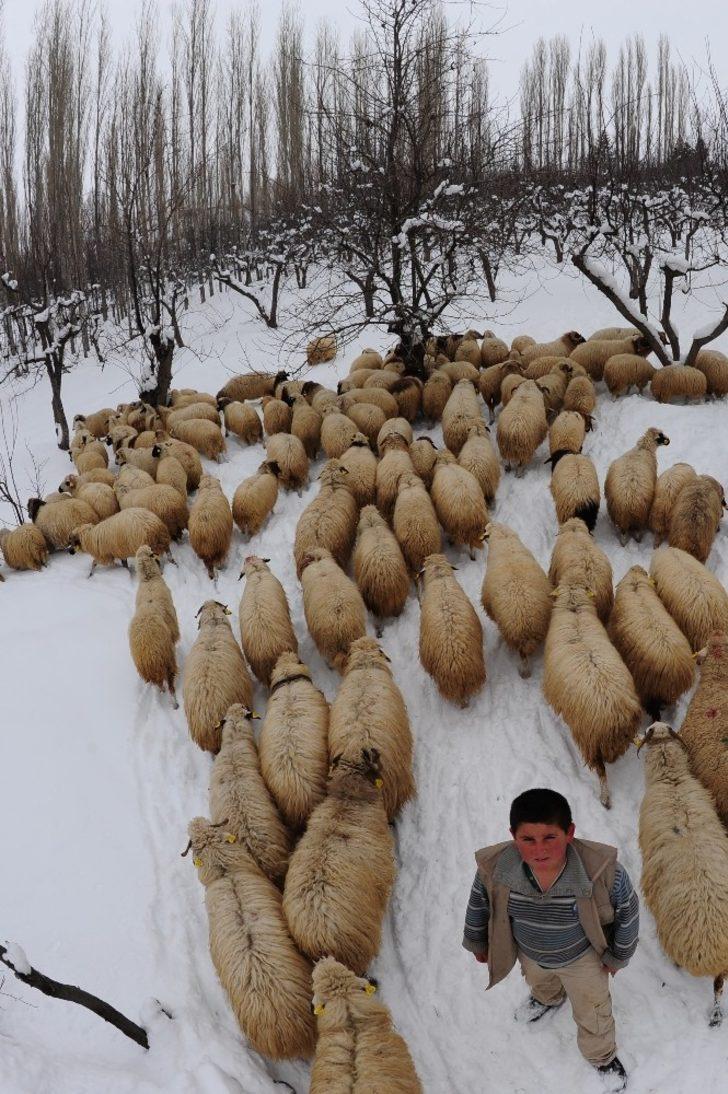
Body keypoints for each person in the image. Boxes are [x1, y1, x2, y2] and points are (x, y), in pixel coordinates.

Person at [462, 788, 639, 1090]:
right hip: (530, 951)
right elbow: (479, 903)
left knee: (593, 1010)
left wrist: (618, 956)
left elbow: (628, 912)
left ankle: (601, 1055)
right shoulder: (495, 871)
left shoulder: (603, 873)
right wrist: (478, 941)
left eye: (550, 838)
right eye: (527, 840)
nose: (538, 849)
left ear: (569, 833)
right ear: (513, 836)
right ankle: (548, 997)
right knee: (538, 979)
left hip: (582, 958)